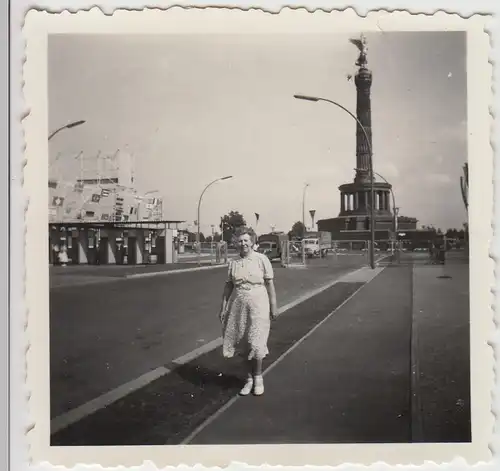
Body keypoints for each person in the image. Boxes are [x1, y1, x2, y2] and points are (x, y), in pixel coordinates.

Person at [219, 229, 278, 396]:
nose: (243, 244)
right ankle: (248, 379)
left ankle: (258, 377)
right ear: (236, 243)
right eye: (240, 241)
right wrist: (223, 307)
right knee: (242, 343)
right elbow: (229, 286)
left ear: (252, 242)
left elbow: (269, 284)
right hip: (239, 304)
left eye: (246, 240)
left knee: (256, 342)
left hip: (259, 303)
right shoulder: (233, 262)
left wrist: (274, 306)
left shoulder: (261, 259)